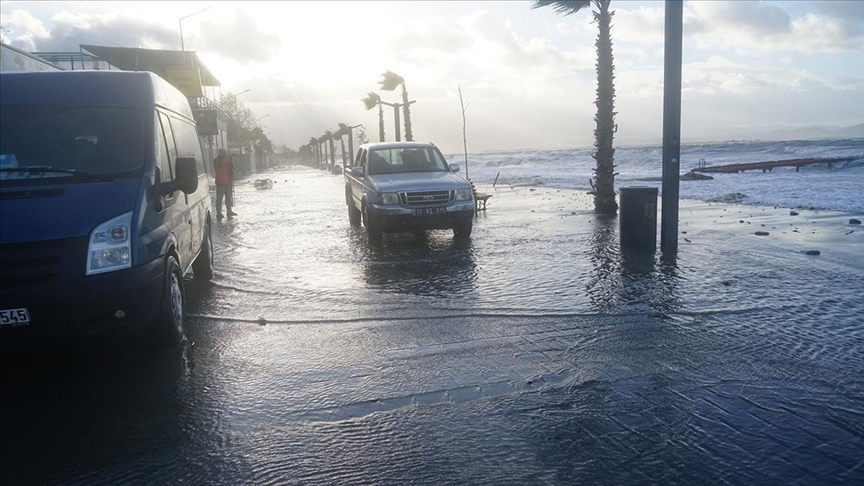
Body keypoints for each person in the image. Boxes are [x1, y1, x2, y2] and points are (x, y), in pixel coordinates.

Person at [213, 148, 237, 219]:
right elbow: (220, 164)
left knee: (228, 198)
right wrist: (227, 159)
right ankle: (218, 213)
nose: (224, 154)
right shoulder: (217, 160)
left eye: (225, 152)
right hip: (220, 182)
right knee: (219, 199)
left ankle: (229, 211)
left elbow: (230, 169)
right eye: (223, 152)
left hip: (228, 182)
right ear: (220, 153)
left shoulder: (227, 161)